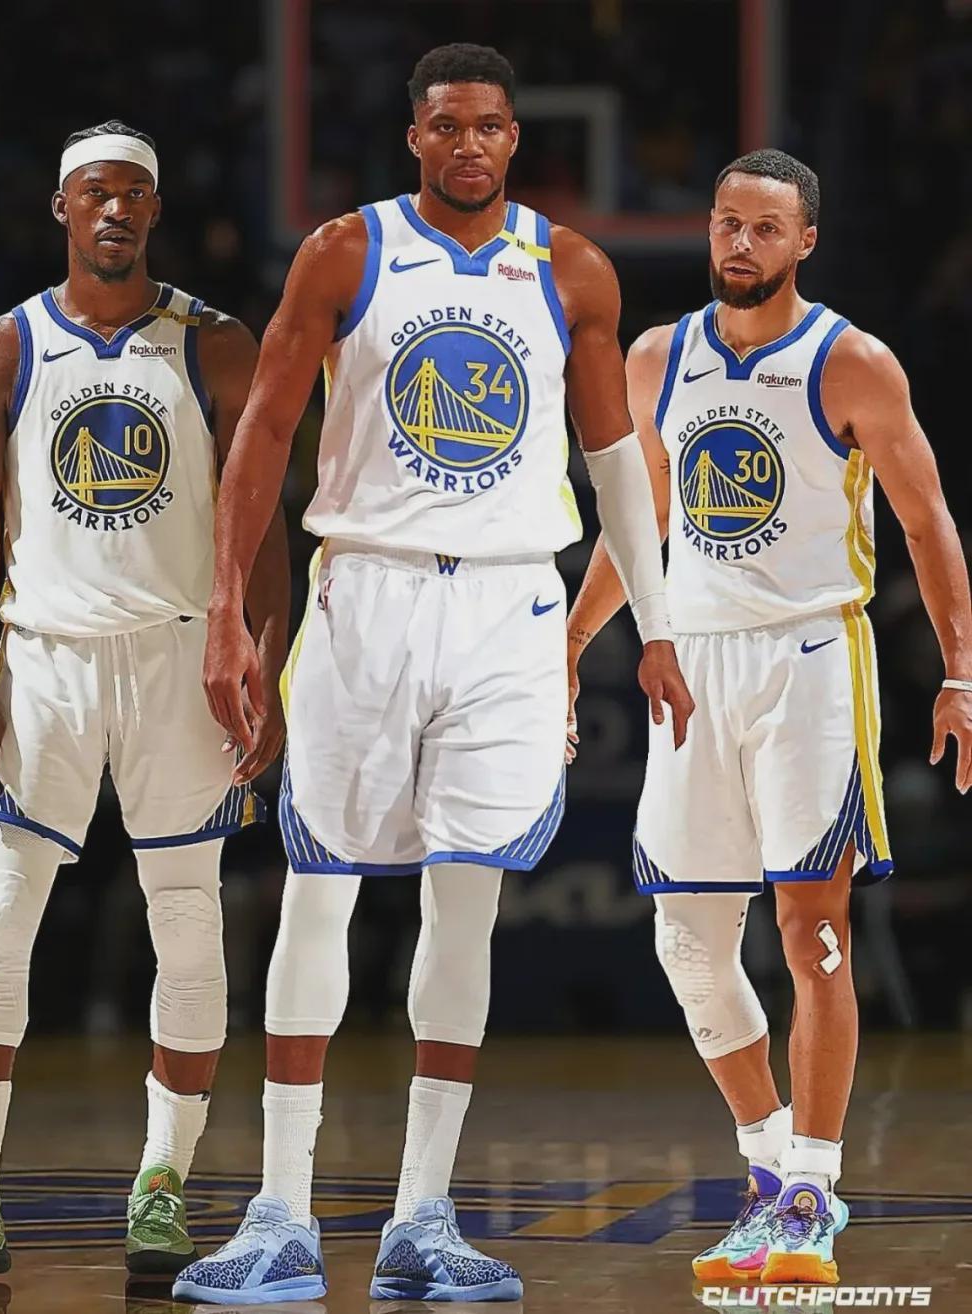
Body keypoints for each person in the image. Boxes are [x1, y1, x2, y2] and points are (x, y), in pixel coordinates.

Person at [173, 42, 692, 1306]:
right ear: (415, 134)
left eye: (490, 126)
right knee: (318, 888)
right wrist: (228, 611)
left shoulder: (572, 268)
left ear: (517, 137)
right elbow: (265, 432)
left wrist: (657, 622)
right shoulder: (346, 251)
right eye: (449, 124)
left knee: (469, 903)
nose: (470, 144)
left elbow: (615, 460)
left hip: (511, 598)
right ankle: (280, 1213)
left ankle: (424, 1217)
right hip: (368, 588)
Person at [566, 148, 972, 1286]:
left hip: (810, 658)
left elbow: (929, 523)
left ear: (805, 242)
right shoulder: (658, 357)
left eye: (764, 228)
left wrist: (962, 674)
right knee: (687, 941)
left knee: (810, 930)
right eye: (725, 223)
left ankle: (813, 1191)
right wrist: (570, 643)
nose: (740, 244)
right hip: (694, 662)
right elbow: (639, 522)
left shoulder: (853, 363)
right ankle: (765, 1169)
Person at [0, 121, 289, 1281]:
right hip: (46, 661)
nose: (114, 209)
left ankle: (163, 1184)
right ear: (62, 208)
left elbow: (264, 523)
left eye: (132, 193)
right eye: (94, 193)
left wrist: (264, 661)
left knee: (188, 919)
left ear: (154, 209)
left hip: (180, 659)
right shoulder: (1, 349)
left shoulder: (216, 345)